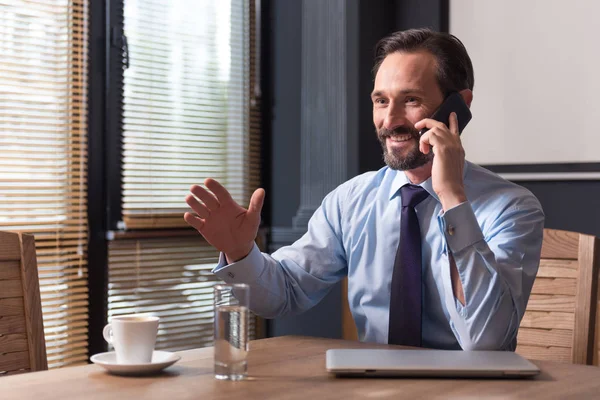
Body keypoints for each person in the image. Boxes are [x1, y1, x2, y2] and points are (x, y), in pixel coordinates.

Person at [184, 28, 544, 351]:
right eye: (381, 101)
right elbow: (286, 293)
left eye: (411, 100)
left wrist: (452, 198)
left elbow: (487, 342)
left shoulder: (511, 208)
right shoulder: (351, 201)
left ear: (459, 106)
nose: (390, 121)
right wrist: (240, 253)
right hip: (372, 389)